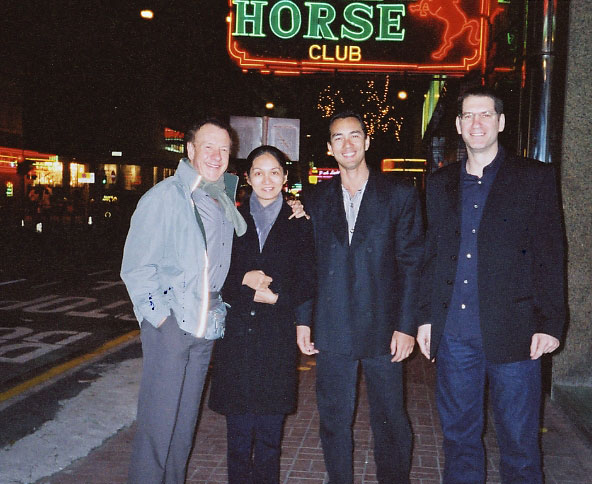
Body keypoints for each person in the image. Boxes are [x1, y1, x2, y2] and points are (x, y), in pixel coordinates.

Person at [416, 86, 566, 484]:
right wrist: (428, 319)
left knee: (518, 442)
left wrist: (551, 323)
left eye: (485, 115)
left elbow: (551, 254)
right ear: (459, 126)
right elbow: (433, 256)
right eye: (468, 116)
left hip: (515, 333)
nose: (477, 123)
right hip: (455, 335)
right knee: (459, 439)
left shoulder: (534, 178)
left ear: (500, 122)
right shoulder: (440, 183)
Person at [296, 111, 424, 484]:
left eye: (355, 136)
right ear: (329, 147)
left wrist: (406, 326)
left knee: (391, 420)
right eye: (339, 138)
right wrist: (304, 319)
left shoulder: (399, 194)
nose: (347, 144)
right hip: (332, 327)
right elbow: (308, 266)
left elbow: (412, 263)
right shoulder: (314, 199)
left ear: (367, 142)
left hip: (384, 328)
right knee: (334, 421)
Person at [121, 117, 248, 484]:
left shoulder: (220, 197)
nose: (216, 155)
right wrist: (161, 319)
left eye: (224, 148)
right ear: (190, 150)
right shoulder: (165, 197)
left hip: (206, 325)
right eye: (208, 146)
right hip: (174, 325)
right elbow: (136, 267)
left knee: (183, 426)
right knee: (158, 426)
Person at [208, 145, 315, 484]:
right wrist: (242, 280)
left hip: (275, 339)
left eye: (274, 172)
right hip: (236, 339)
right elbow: (212, 272)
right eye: (258, 172)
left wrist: (278, 297)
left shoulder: (300, 223)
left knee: (270, 439)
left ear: (285, 178)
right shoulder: (231, 219)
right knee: (238, 438)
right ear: (247, 177)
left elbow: (309, 280)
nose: (266, 180)